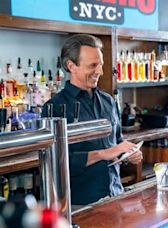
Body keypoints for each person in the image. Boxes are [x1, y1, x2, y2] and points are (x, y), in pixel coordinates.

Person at [42, 34, 142, 205]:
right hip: (79, 204)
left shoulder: (108, 101)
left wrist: (127, 153)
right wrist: (103, 154)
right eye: (93, 65)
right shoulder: (54, 107)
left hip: (114, 195)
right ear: (71, 66)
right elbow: (55, 163)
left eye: (101, 65)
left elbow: (117, 142)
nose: (100, 72)